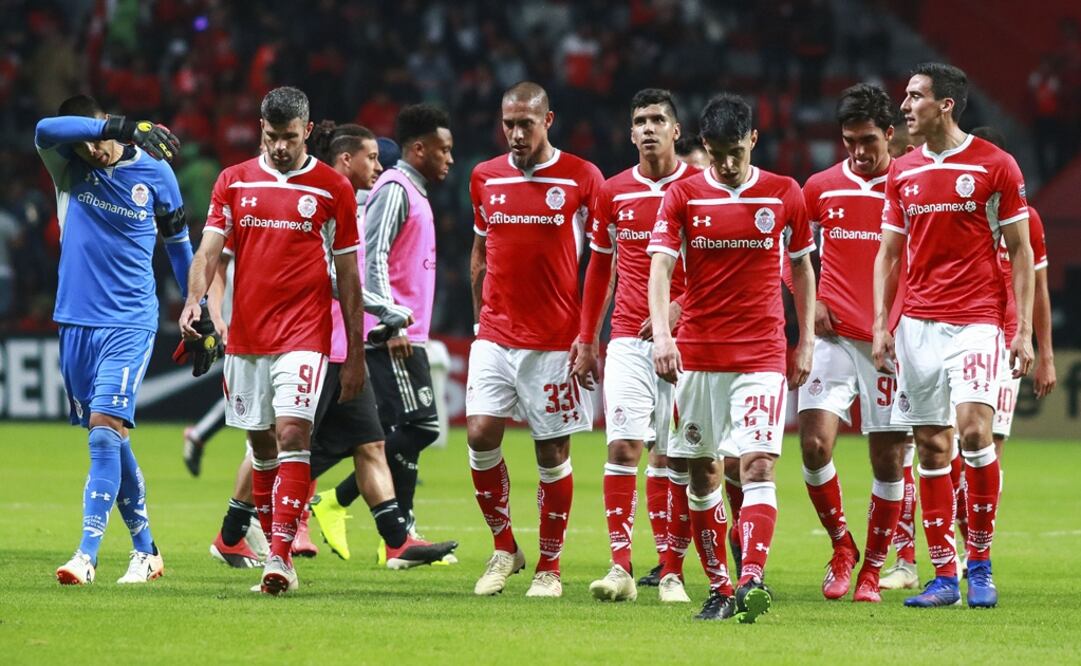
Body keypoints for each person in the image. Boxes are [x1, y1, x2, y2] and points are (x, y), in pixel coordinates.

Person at [181, 87, 366, 595]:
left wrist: (354, 353)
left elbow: (349, 276)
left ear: (307, 131)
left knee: (291, 435)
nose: (279, 147)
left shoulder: (332, 188)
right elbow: (209, 251)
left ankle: (280, 558)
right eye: (270, 137)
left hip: (305, 334)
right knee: (261, 445)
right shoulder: (234, 181)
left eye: (288, 137)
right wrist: (195, 301)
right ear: (260, 129)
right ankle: (273, 545)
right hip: (246, 337)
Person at [648, 93, 816, 622]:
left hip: (762, 354)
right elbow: (659, 271)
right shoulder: (683, 197)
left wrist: (805, 338)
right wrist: (661, 337)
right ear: (704, 146)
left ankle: (751, 579)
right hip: (697, 354)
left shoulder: (784, 193)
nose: (725, 163)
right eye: (716, 152)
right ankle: (719, 587)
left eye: (735, 152)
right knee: (702, 473)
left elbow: (804, 271)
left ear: (754, 141)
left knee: (758, 461)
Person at [873, 64, 1034, 609]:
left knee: (972, 432)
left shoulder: (996, 166)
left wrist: (1024, 331)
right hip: (917, 323)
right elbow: (889, 253)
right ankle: (944, 575)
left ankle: (981, 563)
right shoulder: (903, 172)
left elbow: (1021, 252)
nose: (904, 106)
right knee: (932, 444)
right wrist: (882, 324)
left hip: (978, 321)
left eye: (914, 96)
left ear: (945, 105)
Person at [38, 94, 189, 585]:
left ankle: (86, 555)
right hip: (75, 322)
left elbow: (180, 247)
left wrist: (197, 310)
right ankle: (146, 551)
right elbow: (44, 128)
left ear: (105, 124)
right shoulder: (67, 165)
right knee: (110, 437)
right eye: (84, 145)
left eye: (99, 140)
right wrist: (121, 126)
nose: (95, 153)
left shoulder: (156, 174)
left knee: (104, 430)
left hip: (130, 321)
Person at [467, 81, 603, 598]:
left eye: (526, 124)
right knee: (480, 433)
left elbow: (601, 262)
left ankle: (550, 565)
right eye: (508, 124)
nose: (516, 134)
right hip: (496, 335)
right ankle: (505, 547)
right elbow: (479, 253)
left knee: (551, 452)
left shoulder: (581, 177)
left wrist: (587, 336)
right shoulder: (484, 177)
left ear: (549, 121)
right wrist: (481, 321)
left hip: (553, 340)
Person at [312, 105, 456, 565]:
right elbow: (373, 256)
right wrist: (391, 323)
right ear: (419, 149)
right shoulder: (395, 189)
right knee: (414, 428)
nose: (451, 158)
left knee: (389, 432)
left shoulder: (412, 190)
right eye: (444, 149)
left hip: (404, 329)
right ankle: (337, 503)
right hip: (393, 332)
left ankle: (396, 535)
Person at [572, 88, 697, 604]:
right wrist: (586, 339)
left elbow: (719, 270)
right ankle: (620, 567)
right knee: (624, 445)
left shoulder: (699, 187)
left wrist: (680, 308)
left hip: (690, 343)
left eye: (657, 120)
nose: (648, 128)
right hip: (626, 336)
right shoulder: (614, 190)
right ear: (630, 133)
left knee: (679, 457)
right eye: (640, 120)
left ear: (676, 131)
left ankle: (670, 570)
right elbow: (599, 268)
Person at [797, 83, 910, 603]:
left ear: (891, 133)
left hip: (892, 342)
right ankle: (843, 547)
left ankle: (873, 569)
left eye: (868, 140)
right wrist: (813, 299)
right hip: (835, 337)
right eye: (849, 141)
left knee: (888, 461)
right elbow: (788, 251)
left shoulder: (909, 184)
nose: (859, 152)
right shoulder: (820, 186)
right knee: (814, 443)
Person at [966, 126, 1056, 452]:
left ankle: (983, 506)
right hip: (961, 333)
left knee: (990, 445)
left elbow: (1040, 289)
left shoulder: (1027, 219)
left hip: (1006, 342)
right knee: (948, 446)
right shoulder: (957, 211)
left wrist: (1045, 354)